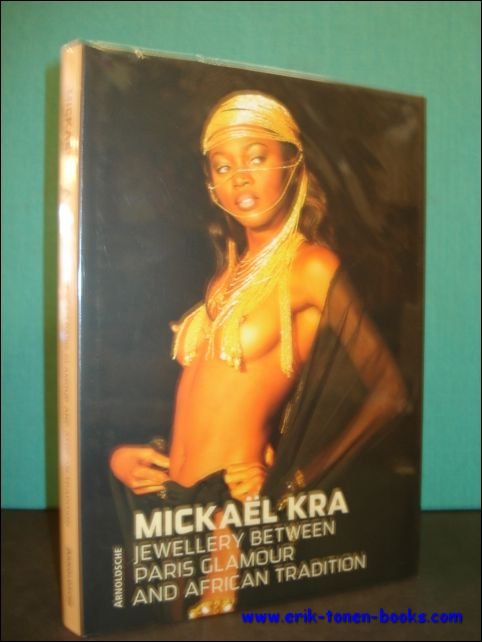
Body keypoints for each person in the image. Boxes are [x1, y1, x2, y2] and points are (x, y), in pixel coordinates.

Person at [109, 91, 408, 618]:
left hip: (231, 510)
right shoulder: (224, 276)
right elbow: (207, 401)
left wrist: (295, 478)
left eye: (256, 157)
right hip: (172, 503)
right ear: (211, 184)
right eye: (223, 166)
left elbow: (391, 394)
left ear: (292, 164)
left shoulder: (312, 268)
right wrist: (126, 456)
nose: (240, 178)